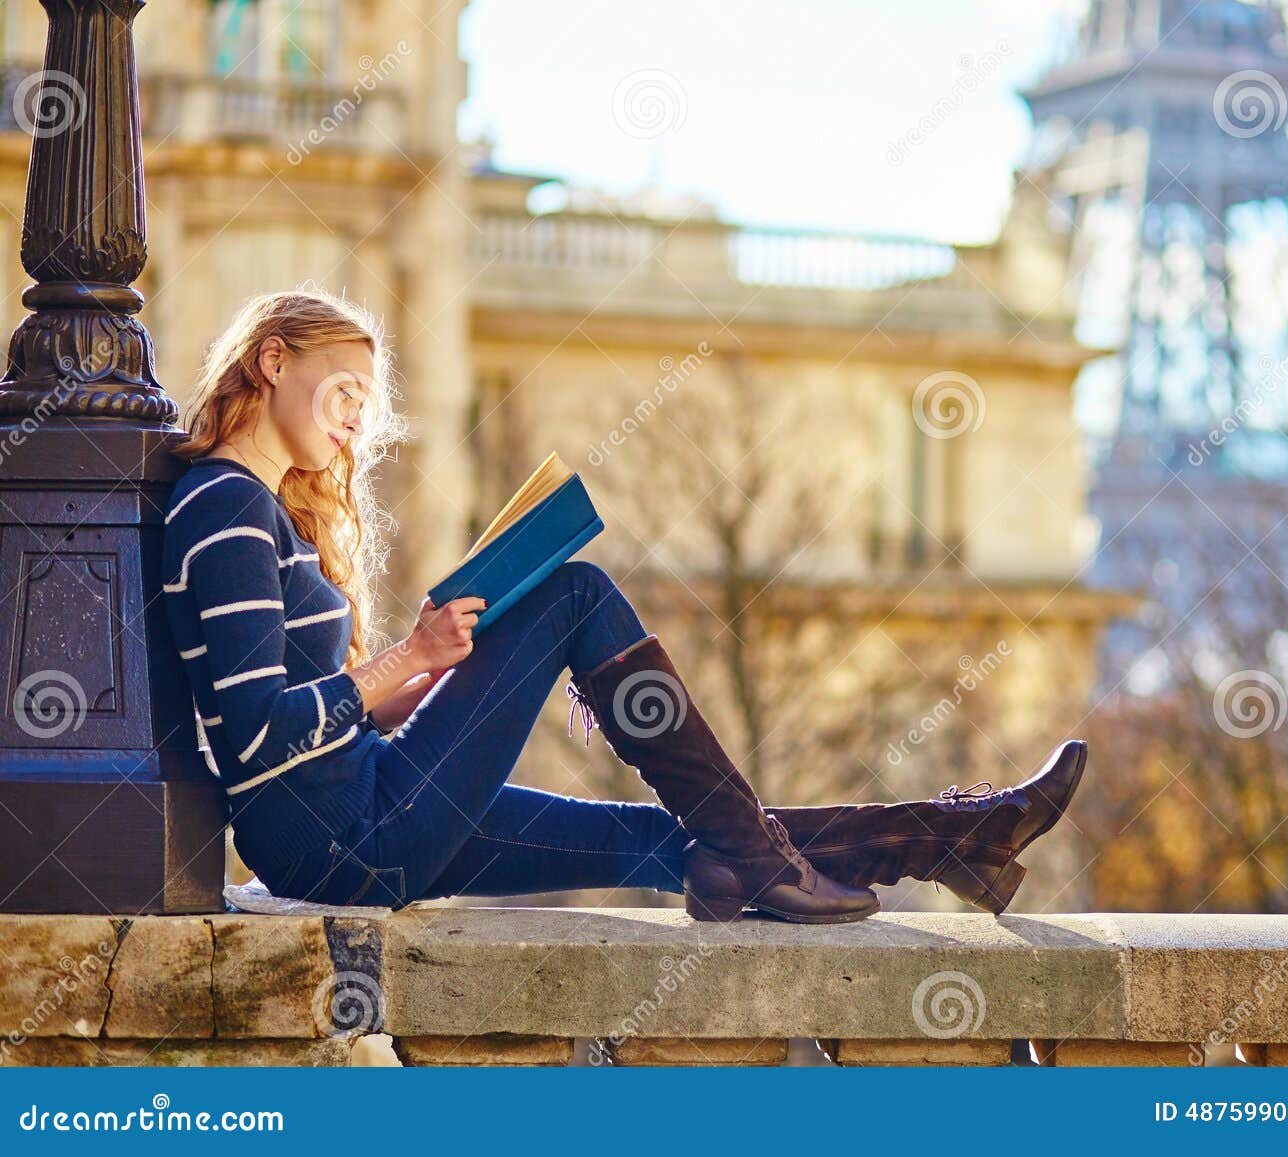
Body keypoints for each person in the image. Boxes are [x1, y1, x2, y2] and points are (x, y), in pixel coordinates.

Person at [161, 288, 1088, 924]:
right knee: (572, 592)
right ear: (273, 360)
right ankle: (819, 854)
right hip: (341, 834)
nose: (357, 420)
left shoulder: (257, 511)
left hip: (356, 813)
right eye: (347, 391)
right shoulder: (227, 505)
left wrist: (430, 673)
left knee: (670, 841)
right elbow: (254, 737)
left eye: (367, 402)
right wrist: (409, 657)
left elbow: (311, 712)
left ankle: (948, 838)